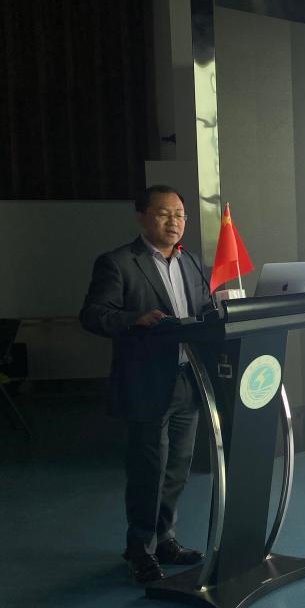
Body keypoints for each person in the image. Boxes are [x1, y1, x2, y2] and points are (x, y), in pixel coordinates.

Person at [80, 185, 214, 584]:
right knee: (148, 471)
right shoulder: (119, 262)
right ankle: (140, 548)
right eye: (163, 213)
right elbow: (93, 315)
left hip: (188, 379)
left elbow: (203, 311)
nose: (174, 222)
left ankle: (165, 538)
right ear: (141, 216)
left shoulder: (191, 262)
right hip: (146, 383)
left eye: (180, 215)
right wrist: (133, 319)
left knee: (177, 469)